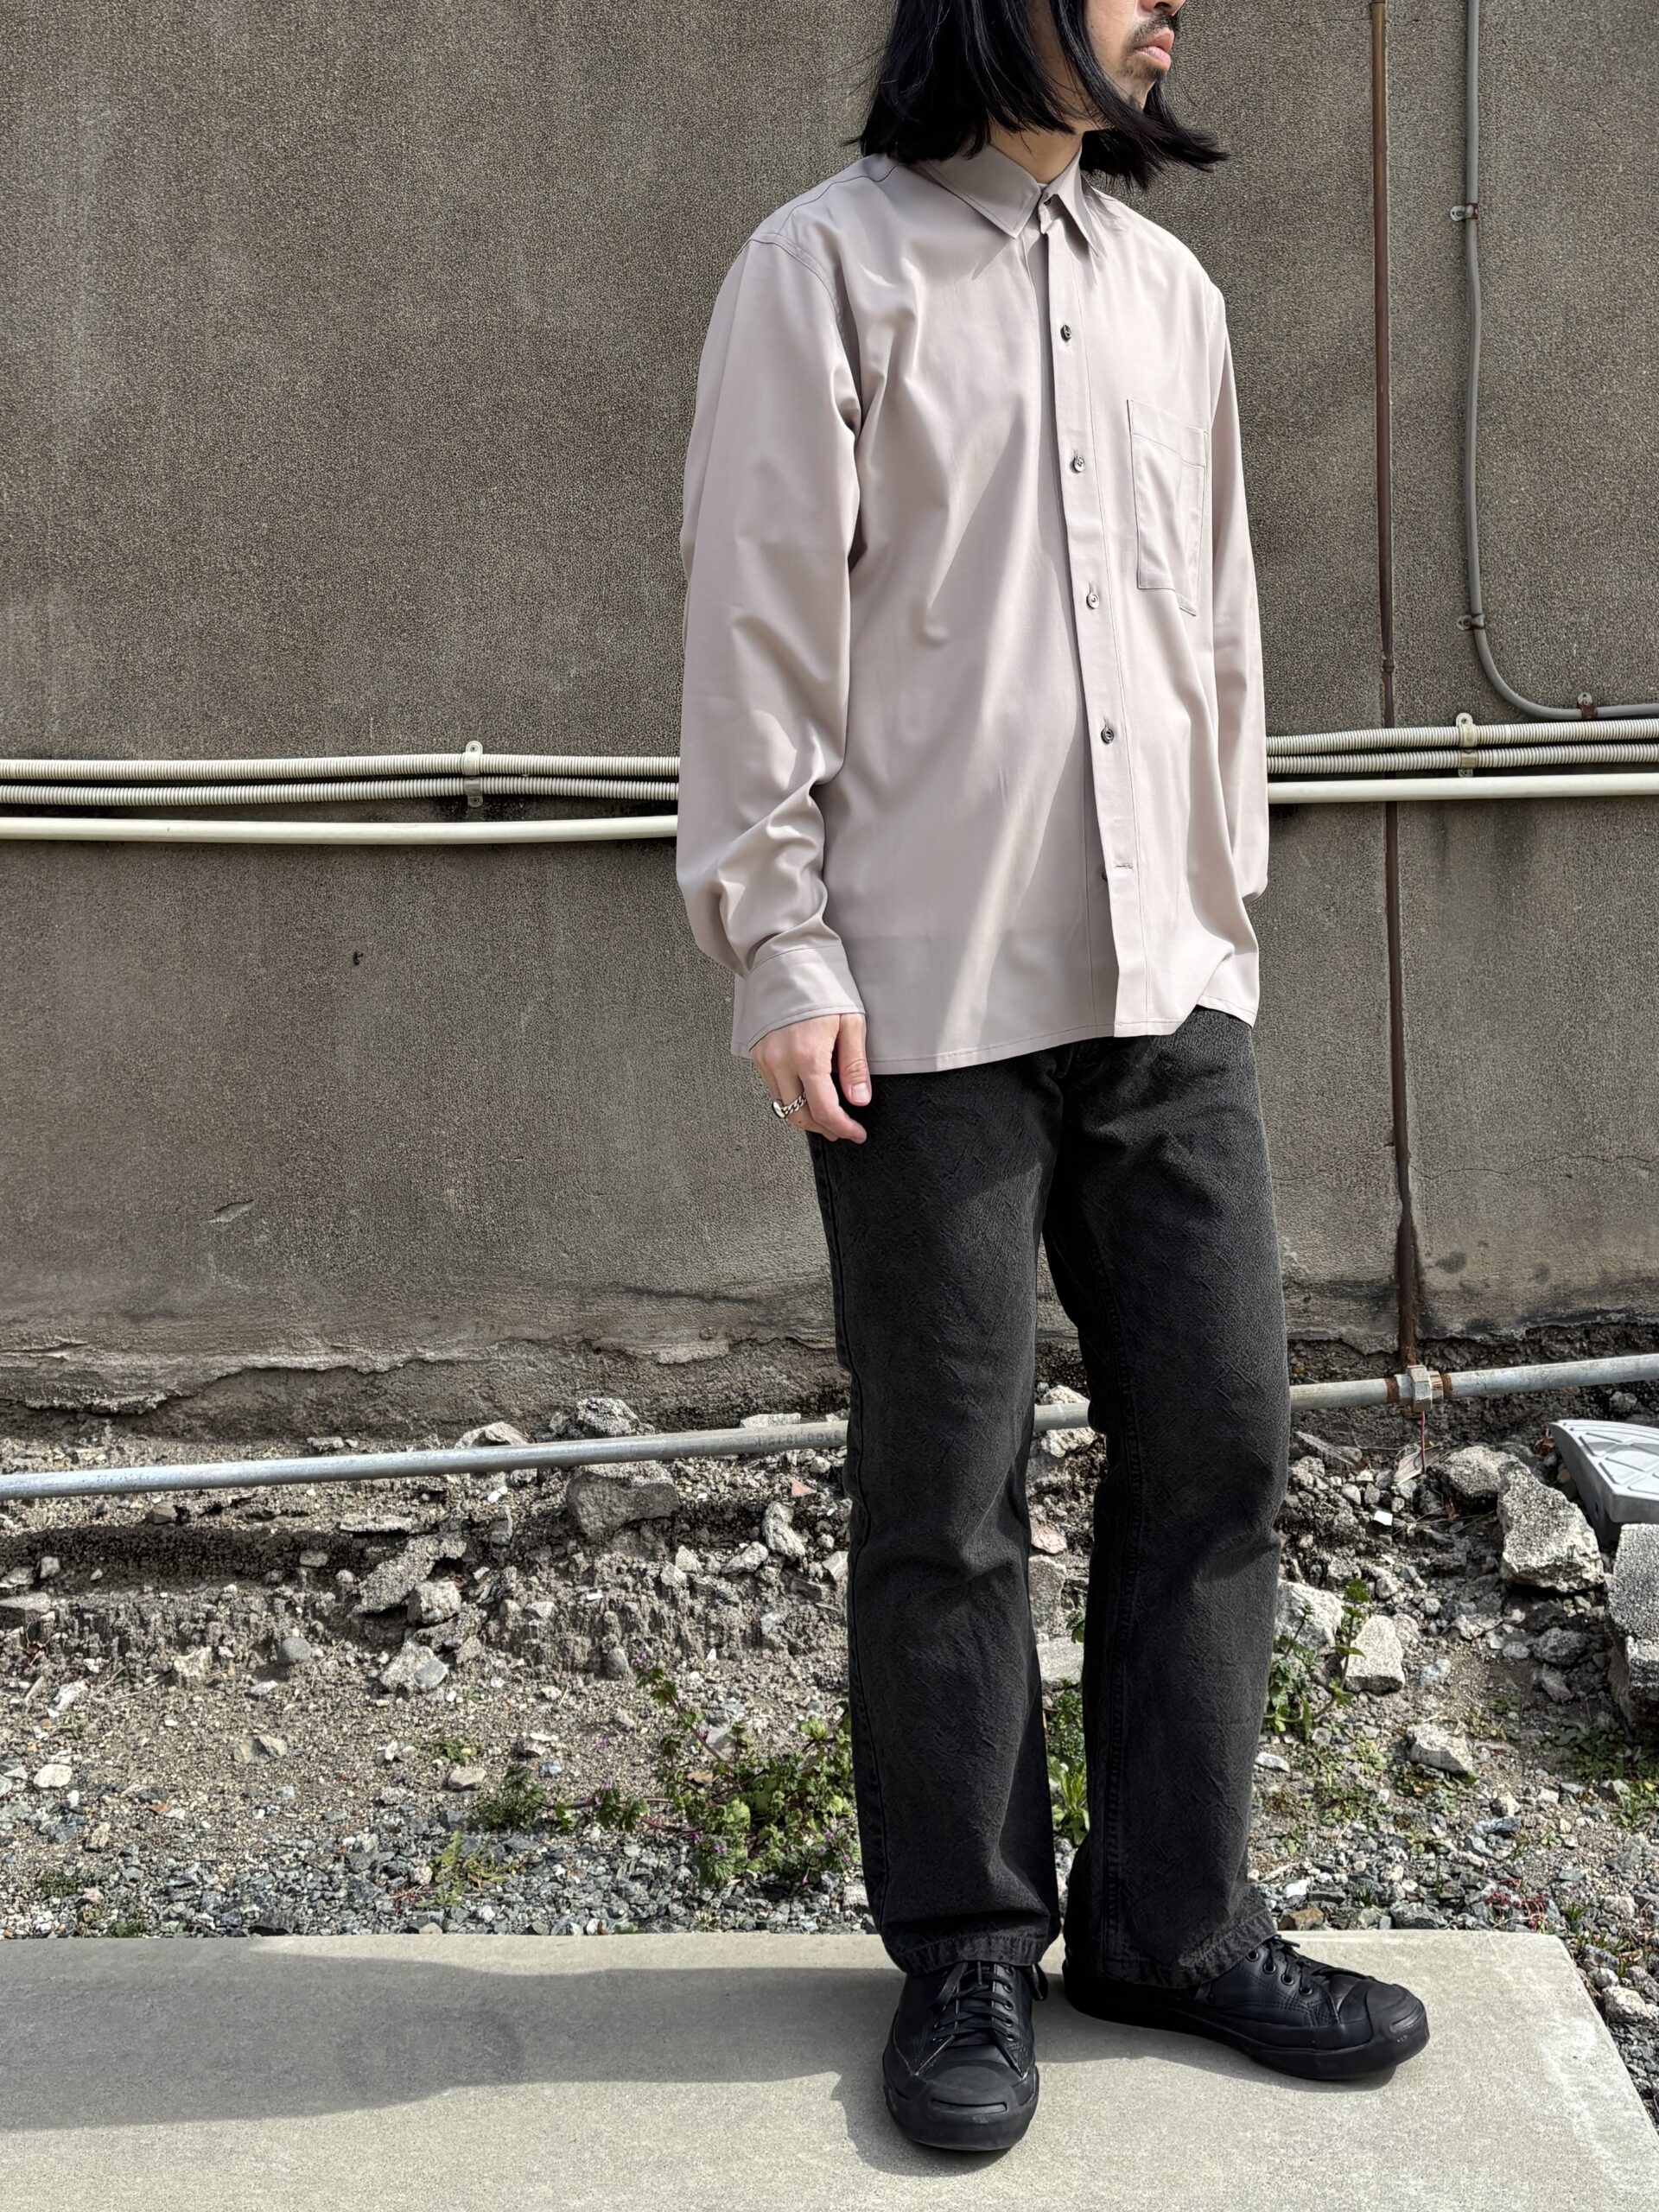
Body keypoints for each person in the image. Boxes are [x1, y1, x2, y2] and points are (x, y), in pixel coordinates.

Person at [675, 0, 1430, 2153]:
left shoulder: (1168, 292)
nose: (1169, 7)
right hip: (922, 997)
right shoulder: (823, 270)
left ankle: (1171, 1926)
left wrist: (1221, 901)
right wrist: (780, 941)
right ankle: (970, 1949)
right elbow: (755, 624)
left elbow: (1217, 631)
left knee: (1224, 1435)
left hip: (1163, 986)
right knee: (948, 1487)